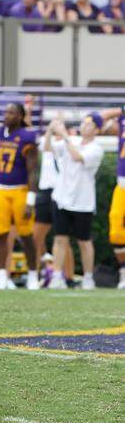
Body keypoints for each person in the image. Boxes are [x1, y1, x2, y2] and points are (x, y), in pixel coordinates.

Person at [45, 115, 104, 291]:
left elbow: (78, 157)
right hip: (62, 198)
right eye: (84, 123)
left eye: (89, 124)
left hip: (83, 201)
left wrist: (64, 135)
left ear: (97, 130)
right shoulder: (72, 140)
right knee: (60, 238)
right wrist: (50, 130)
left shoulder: (96, 148)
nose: (84, 126)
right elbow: (48, 148)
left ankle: (88, 277)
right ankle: (57, 276)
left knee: (84, 241)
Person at [0, 102, 40, 290]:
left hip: (20, 190)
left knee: (26, 235)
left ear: (20, 116)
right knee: (0, 234)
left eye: (12, 113)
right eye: (6, 112)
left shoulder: (27, 137)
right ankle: (1, 276)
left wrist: (30, 200)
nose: (7, 115)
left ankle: (33, 275)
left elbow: (33, 171)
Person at [96, 107, 125, 289]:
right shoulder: (122, 120)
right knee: (116, 231)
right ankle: (124, 271)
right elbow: (98, 120)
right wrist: (120, 110)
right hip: (122, 184)